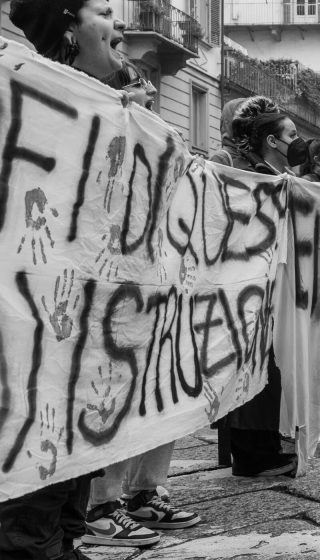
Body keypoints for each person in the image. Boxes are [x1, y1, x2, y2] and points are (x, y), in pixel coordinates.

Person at [1, 0, 134, 560]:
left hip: (84, 295)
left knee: (78, 414)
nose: (119, 25)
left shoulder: (110, 100)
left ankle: (63, 535)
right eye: (103, 11)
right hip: (30, 295)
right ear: (68, 24)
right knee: (39, 408)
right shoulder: (20, 82)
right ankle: (30, 544)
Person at [82, 64, 199, 550]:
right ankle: (100, 504)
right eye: (135, 81)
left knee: (160, 390)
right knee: (109, 393)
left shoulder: (163, 144)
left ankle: (144, 491)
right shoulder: (98, 132)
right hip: (109, 288)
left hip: (156, 286)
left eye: (150, 81)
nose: (150, 87)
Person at [217, 108, 302, 479]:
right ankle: (253, 454)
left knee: (269, 365)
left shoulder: (276, 176)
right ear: (271, 141)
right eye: (292, 134)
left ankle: (263, 446)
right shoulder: (248, 174)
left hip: (267, 281)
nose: (297, 142)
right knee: (253, 363)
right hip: (247, 283)